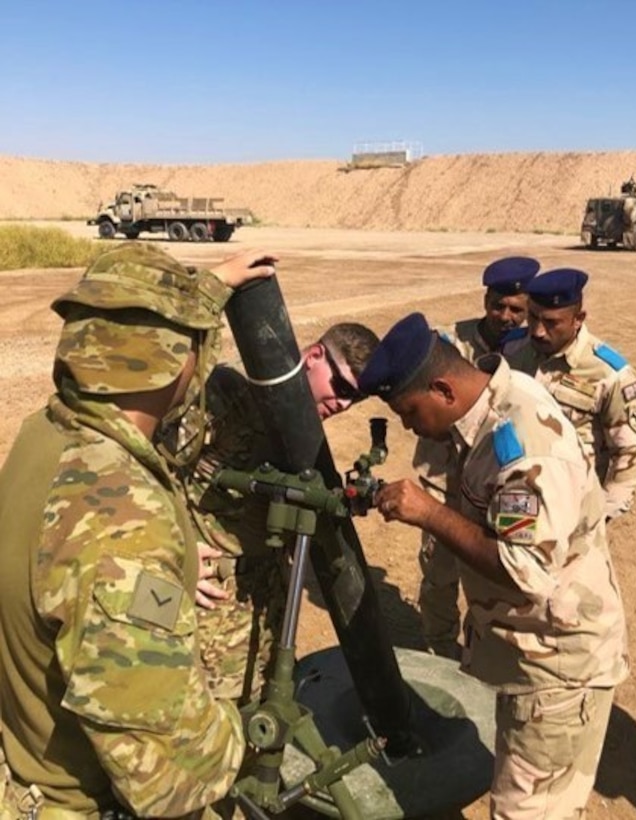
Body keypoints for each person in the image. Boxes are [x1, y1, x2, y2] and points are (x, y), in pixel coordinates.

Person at [0, 242, 277, 819]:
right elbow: (170, 775)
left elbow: (76, 586)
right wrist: (240, 731)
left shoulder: (45, 435)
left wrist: (164, 580)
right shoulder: (122, 512)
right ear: (181, 361)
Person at [358, 312, 628, 818]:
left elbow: (526, 569)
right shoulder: (491, 407)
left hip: (558, 667)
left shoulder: (525, 444)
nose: (409, 426)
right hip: (525, 653)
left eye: (409, 411)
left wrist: (429, 512)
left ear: (443, 388)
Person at [173, 323, 379, 705]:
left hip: (265, 611)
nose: (344, 405)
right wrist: (172, 553)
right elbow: (147, 473)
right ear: (314, 357)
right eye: (344, 388)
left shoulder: (301, 433)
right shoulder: (226, 394)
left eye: (357, 399)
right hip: (206, 608)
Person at [414, 255, 540, 658]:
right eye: (497, 305)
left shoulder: (534, 350)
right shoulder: (449, 343)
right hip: (445, 478)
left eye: (516, 309)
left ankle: (487, 655)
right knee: (438, 574)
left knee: (498, 572)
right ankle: (439, 651)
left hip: (500, 483)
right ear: (485, 299)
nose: (505, 316)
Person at [509, 268, 636, 520]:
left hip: (572, 511)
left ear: (578, 318)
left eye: (551, 322)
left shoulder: (610, 374)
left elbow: (629, 454)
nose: (538, 331)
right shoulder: (513, 350)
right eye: (533, 318)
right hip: (515, 503)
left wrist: (598, 519)